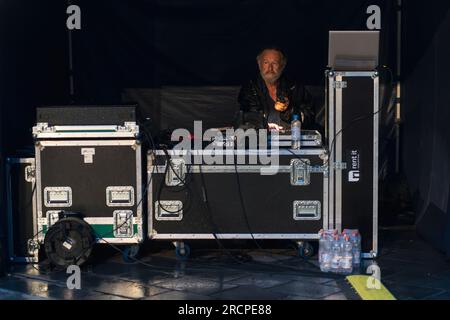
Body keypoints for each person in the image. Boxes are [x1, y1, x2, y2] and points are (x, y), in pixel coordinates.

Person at [237, 47, 315, 131]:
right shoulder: (249, 88)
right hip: (261, 140)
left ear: (282, 65)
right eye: (266, 62)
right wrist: (265, 126)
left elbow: (310, 118)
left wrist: (289, 110)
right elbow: (244, 120)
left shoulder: (295, 87)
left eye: (274, 63)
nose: (270, 68)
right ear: (259, 64)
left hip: (291, 139)